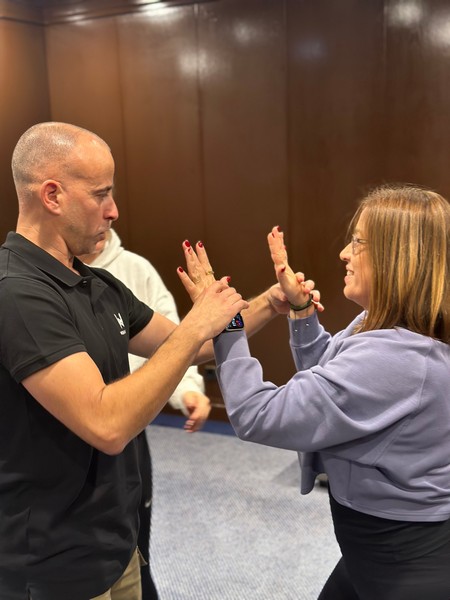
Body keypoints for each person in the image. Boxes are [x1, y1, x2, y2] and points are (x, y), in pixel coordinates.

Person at [0, 121, 284, 600]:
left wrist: (271, 303)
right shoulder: (18, 294)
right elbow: (107, 424)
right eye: (101, 194)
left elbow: (194, 347)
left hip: (114, 541)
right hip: (50, 563)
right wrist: (196, 324)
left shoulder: (96, 283)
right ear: (52, 195)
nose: (114, 210)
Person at [178, 185, 450, 600]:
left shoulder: (398, 357)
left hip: (402, 559)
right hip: (374, 545)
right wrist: (302, 312)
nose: (343, 253)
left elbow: (257, 415)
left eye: (357, 243)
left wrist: (227, 324)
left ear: (396, 257)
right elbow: (332, 388)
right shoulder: (381, 328)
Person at [79, 228, 211, 599]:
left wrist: (188, 389)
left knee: (135, 554)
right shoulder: (30, 287)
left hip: (131, 436)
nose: (111, 212)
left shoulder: (130, 272)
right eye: (99, 199)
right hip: (73, 449)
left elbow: (182, 342)